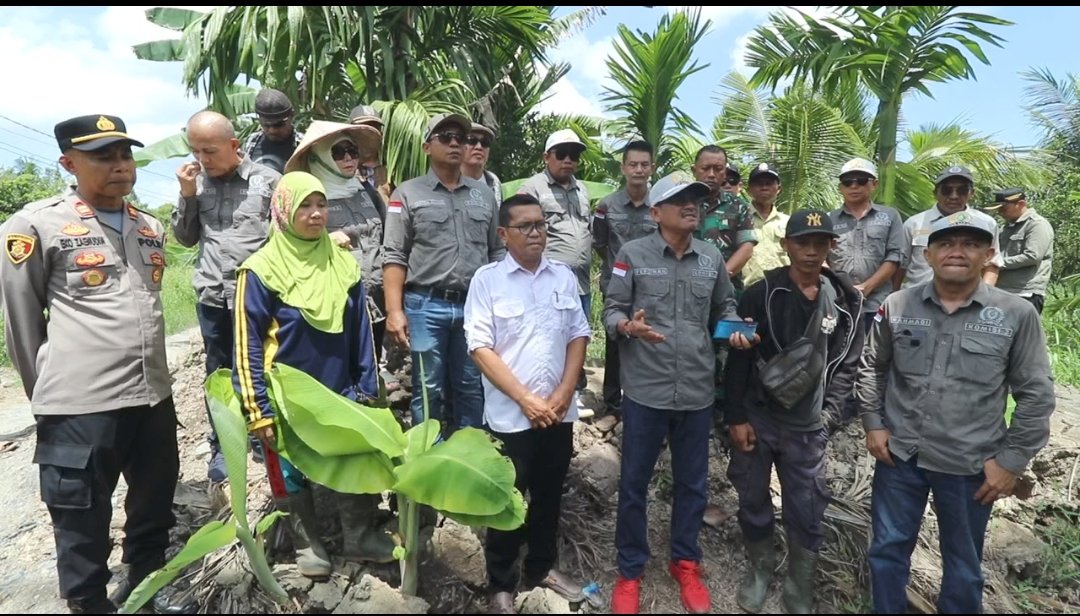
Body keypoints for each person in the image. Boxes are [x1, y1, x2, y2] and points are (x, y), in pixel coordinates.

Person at [0, 115, 177, 614]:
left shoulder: (149, 226)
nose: (120, 166)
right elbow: (21, 320)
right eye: (103, 156)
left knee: (153, 508)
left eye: (125, 154)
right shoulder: (35, 224)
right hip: (80, 405)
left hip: (152, 399)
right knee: (80, 517)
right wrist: (49, 396)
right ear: (68, 163)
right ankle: (88, 603)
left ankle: (146, 593)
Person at [857, 211, 1055, 614]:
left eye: (970, 244)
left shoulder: (1015, 314)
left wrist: (1012, 462)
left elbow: (1036, 394)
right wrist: (874, 424)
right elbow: (872, 367)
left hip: (971, 465)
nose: (957, 252)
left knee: (963, 566)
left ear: (989, 254)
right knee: (887, 553)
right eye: (946, 244)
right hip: (901, 457)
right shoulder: (898, 304)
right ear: (928, 255)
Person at [604, 172, 754, 615]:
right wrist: (628, 326)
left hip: (695, 391)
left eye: (696, 199)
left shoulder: (711, 259)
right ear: (656, 212)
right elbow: (611, 309)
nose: (692, 205)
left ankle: (684, 561)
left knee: (692, 485)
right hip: (646, 392)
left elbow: (723, 308)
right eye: (680, 199)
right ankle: (630, 570)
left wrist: (735, 331)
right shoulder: (632, 255)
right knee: (634, 483)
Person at [234, 171, 395, 577]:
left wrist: (366, 385)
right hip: (285, 393)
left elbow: (361, 331)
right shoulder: (259, 270)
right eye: (304, 205)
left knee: (351, 457)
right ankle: (308, 544)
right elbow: (247, 345)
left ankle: (359, 536)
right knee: (288, 467)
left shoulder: (342, 263)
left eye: (321, 204)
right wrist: (258, 409)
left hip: (340, 386)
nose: (316, 213)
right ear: (283, 212)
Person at [725, 210, 864, 614]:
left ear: (829, 248)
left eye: (819, 243)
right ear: (786, 246)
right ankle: (760, 568)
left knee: (806, 507)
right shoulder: (761, 292)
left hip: (808, 427)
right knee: (752, 495)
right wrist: (736, 416)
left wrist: (828, 419)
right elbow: (738, 360)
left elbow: (848, 366)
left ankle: (800, 582)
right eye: (802, 242)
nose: (810, 251)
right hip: (760, 416)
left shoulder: (846, 301)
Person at [465, 194, 592, 615]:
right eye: (526, 226)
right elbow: (480, 348)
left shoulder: (563, 277)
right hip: (510, 417)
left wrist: (562, 393)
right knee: (507, 497)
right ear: (504, 234)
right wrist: (525, 400)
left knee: (549, 494)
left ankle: (540, 568)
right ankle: (500, 583)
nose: (537, 232)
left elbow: (578, 334)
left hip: (558, 413)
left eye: (541, 224)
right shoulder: (487, 280)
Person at [174, 110, 281, 482]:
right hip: (212, 296)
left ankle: (261, 437)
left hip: (255, 296)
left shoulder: (268, 182)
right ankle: (221, 444)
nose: (202, 160)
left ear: (234, 146)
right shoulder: (196, 184)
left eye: (210, 151)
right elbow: (185, 238)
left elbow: (284, 240)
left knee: (258, 368)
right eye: (196, 151)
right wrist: (187, 196)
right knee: (217, 370)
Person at [382, 112, 503, 432]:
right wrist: (395, 310)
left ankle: (470, 456)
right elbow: (394, 254)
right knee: (428, 388)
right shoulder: (407, 194)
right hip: (426, 305)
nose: (455, 143)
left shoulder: (484, 195)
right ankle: (428, 459)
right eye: (445, 137)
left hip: (475, 306)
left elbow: (497, 252)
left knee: (470, 385)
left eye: (460, 138)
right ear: (426, 147)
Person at [284, 121, 387, 360]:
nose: (349, 158)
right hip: (335, 304)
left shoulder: (366, 192)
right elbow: (288, 245)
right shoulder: (308, 200)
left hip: (376, 297)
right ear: (320, 158)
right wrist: (325, 241)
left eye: (352, 151)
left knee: (372, 365)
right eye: (338, 153)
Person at [517, 129, 593, 388]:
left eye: (574, 155)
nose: (568, 160)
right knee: (548, 338)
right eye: (561, 154)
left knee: (578, 335)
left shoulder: (581, 189)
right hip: (547, 283)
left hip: (580, 282)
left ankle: (573, 388)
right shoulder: (532, 187)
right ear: (546, 157)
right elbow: (521, 232)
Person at [592, 140, 656, 424]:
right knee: (615, 340)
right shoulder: (606, 205)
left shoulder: (661, 206)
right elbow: (601, 243)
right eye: (633, 164)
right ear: (623, 168)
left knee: (647, 341)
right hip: (616, 286)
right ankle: (612, 402)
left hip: (652, 287)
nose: (638, 170)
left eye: (644, 164)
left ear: (652, 168)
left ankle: (644, 399)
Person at [826, 158, 905, 332]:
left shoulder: (890, 216)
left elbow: (895, 256)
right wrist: (840, 287)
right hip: (838, 303)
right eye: (847, 182)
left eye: (861, 181)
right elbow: (821, 257)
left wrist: (866, 288)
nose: (854, 186)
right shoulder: (828, 219)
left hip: (877, 304)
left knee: (874, 357)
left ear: (874, 184)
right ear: (841, 187)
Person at [895, 165, 1003, 289]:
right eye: (947, 190)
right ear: (935, 193)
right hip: (918, 301)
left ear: (971, 193)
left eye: (962, 190)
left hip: (968, 301)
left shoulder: (986, 223)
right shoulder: (914, 223)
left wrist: (984, 296)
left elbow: (992, 264)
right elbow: (900, 267)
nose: (954, 196)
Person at [691, 145, 757, 287]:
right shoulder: (680, 203)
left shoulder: (739, 206)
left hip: (726, 288)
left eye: (718, 169)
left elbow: (746, 247)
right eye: (705, 168)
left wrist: (720, 277)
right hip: (686, 286)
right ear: (694, 170)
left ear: (725, 172)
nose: (711, 174)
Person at [984, 188, 1054, 313]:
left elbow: (1033, 256)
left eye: (1004, 208)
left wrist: (997, 263)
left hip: (1025, 293)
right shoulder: (1006, 228)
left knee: (1023, 332)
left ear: (1021, 204)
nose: (1000, 212)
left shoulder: (1036, 224)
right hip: (1003, 291)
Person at [740, 162, 790, 287]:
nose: (764, 187)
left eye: (769, 183)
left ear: (779, 189)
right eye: (758, 184)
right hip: (747, 292)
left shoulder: (788, 222)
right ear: (749, 190)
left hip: (783, 291)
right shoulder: (739, 220)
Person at [243, 88, 303, 174]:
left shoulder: (303, 144)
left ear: (291, 117)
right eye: (266, 125)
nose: (272, 130)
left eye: (279, 124)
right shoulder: (251, 141)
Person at [349, 104, 392, 206]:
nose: (368, 135)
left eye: (373, 129)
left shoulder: (392, 171)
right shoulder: (343, 169)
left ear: (381, 134)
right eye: (362, 129)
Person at [462, 122, 502, 199]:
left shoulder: (494, 182)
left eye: (485, 142)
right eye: (472, 140)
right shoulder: (446, 181)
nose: (479, 147)